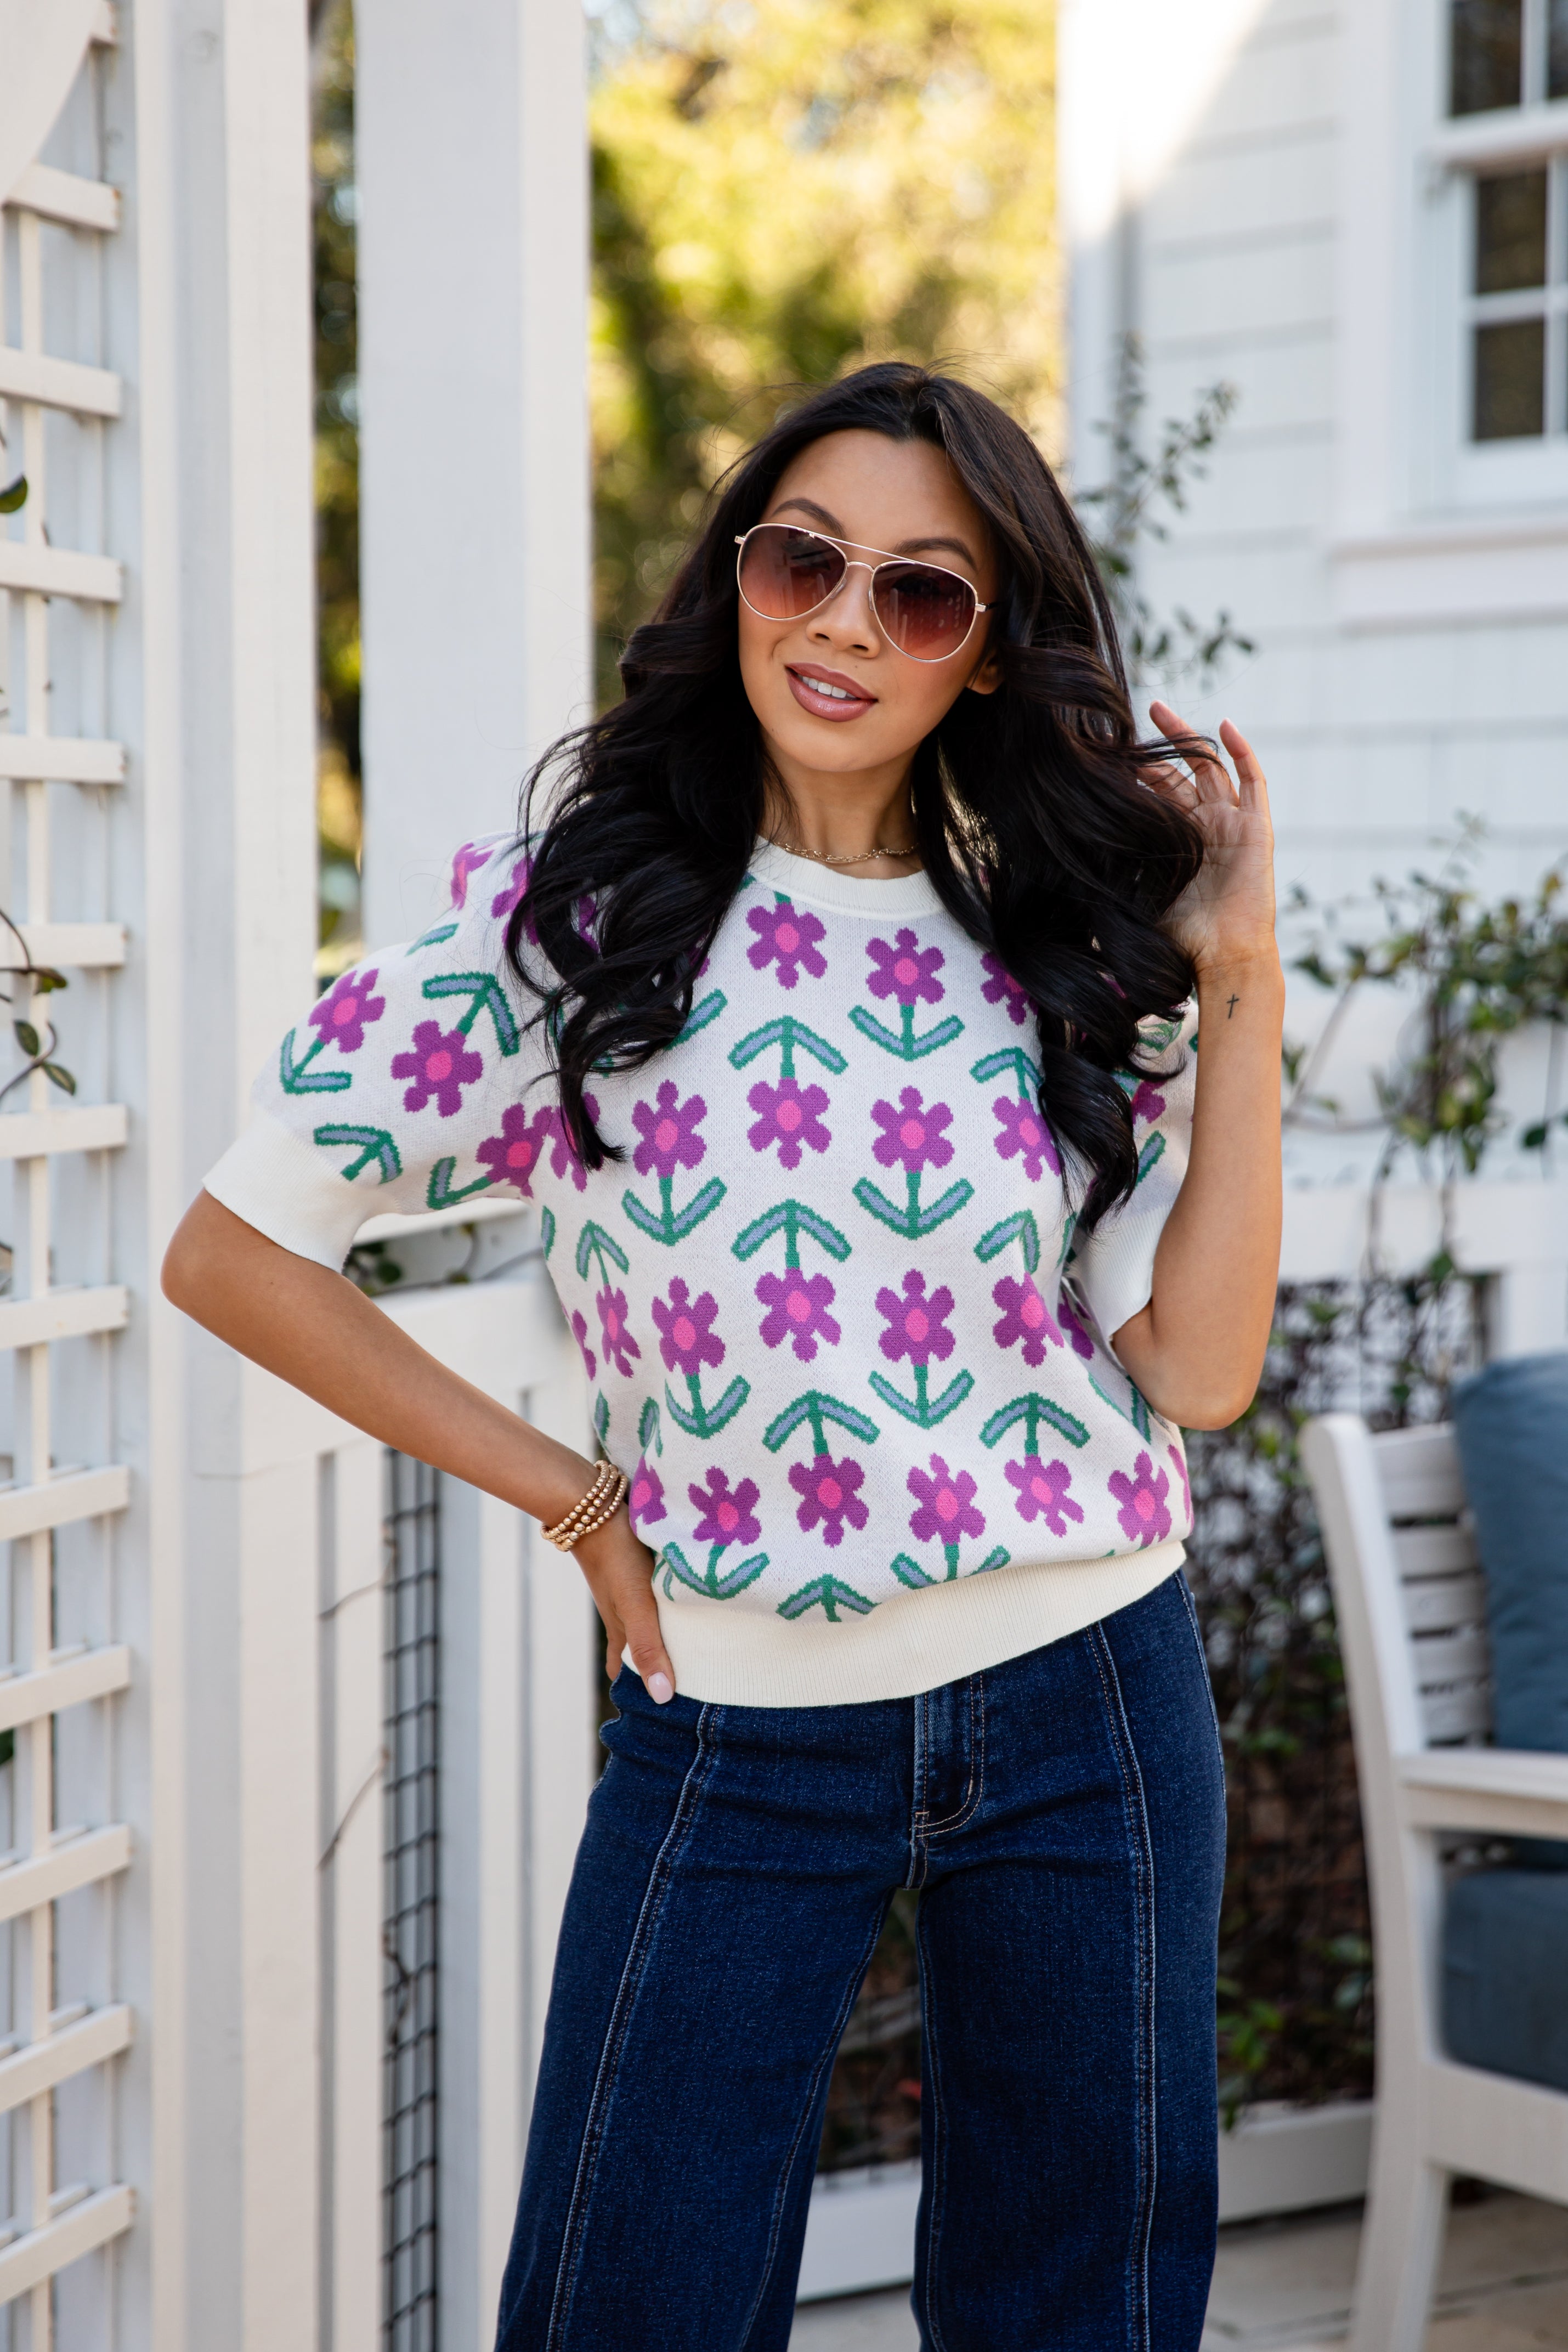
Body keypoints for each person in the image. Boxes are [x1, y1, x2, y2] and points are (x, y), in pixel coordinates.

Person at [163, 362, 1282, 2351]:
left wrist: (1240, 970)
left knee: (1081, 2320)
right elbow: (239, 1249)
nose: (847, 622)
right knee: (625, 2305)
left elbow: (1194, 1373)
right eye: (805, 559)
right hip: (733, 1723)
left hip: (1089, 1697)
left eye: (923, 594)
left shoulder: (1050, 951)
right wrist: (572, 1497)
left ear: (990, 659)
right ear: (740, 578)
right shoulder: (582, 927)